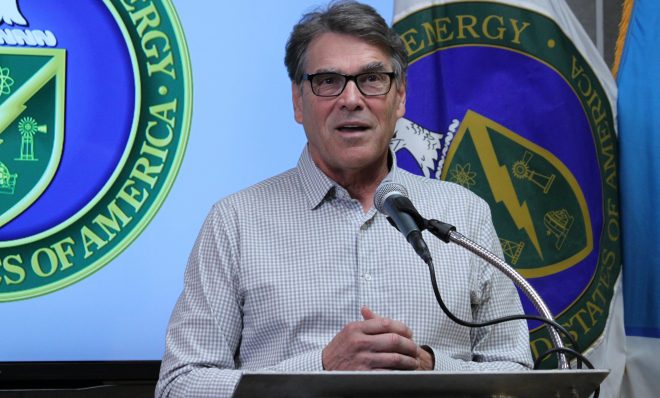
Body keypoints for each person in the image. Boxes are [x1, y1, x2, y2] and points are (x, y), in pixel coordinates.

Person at [155, 1, 533, 397]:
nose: (351, 99)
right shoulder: (235, 222)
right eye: (329, 81)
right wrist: (320, 367)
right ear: (298, 102)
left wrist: (430, 366)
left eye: (371, 79)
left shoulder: (463, 214)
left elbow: (516, 377)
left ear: (400, 97)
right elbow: (179, 385)